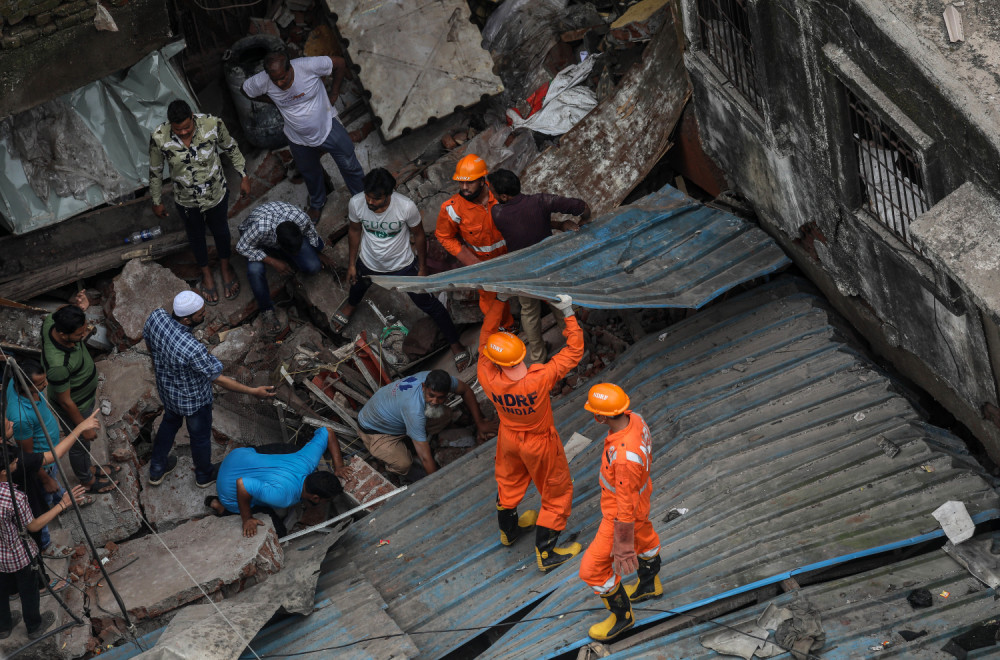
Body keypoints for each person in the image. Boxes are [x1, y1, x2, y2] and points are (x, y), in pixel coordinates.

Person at [478, 293, 582, 570]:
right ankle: (546, 555)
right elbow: (574, 351)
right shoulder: (538, 379)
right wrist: (567, 312)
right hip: (539, 442)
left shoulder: (486, 374)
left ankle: (509, 532)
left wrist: (499, 301)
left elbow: (486, 337)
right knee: (556, 493)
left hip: (509, 438)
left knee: (508, 482)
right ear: (521, 357)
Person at [334, 168, 471, 367]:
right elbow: (354, 230)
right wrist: (352, 264)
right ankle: (350, 306)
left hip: (403, 266)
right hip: (368, 262)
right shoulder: (356, 203)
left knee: (429, 304)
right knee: (358, 285)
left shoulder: (405, 207)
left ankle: (455, 344)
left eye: (376, 198)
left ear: (389, 194)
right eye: (368, 197)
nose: (370, 202)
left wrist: (422, 268)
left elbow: (420, 235)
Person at [143, 291, 276, 487]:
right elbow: (218, 379)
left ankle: (156, 469)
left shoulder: (157, 317)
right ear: (187, 320)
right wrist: (253, 391)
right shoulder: (192, 348)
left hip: (168, 391)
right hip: (194, 401)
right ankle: (204, 475)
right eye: (200, 314)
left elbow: (149, 343)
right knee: (200, 438)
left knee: (169, 424)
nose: (204, 316)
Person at [578, 383, 661, 642]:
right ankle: (650, 584)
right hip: (641, 492)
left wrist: (622, 544)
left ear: (600, 416)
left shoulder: (623, 457)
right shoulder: (635, 418)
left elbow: (625, 508)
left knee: (591, 569)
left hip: (620, 511)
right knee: (645, 537)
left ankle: (623, 617)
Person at [242, 51, 364, 221]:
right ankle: (317, 203)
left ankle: (362, 199)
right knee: (309, 172)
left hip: (327, 127)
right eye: (274, 80)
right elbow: (245, 90)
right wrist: (273, 100)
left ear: (290, 67)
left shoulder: (308, 66)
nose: (279, 83)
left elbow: (340, 63)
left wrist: (334, 93)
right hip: (297, 137)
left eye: (283, 77)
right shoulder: (262, 81)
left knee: (349, 164)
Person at [149, 99, 250, 304]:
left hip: (216, 194)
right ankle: (207, 274)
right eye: (178, 130)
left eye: (187, 127)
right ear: (170, 125)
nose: (184, 133)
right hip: (186, 201)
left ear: (193, 118)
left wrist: (244, 175)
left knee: (221, 231)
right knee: (196, 236)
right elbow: (155, 171)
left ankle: (224, 267)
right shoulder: (159, 137)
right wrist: (156, 200)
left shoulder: (212, 124)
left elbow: (231, 147)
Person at [488, 169, 591, 363]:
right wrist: (581, 219)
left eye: (493, 192)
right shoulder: (541, 201)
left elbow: (523, 223)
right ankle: (578, 348)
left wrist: (555, 224)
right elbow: (581, 207)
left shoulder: (497, 213)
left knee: (529, 312)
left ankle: (538, 357)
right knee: (561, 305)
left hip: (522, 271)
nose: (491, 196)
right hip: (548, 265)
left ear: (503, 196)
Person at [0, 446, 87, 641]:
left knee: (2, 589)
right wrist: (62, 504)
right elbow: (34, 526)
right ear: (4, 471)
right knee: (29, 590)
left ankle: (3, 626)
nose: (17, 463)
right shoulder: (14, 497)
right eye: (14, 462)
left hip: (0, 556)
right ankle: (34, 627)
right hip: (19, 554)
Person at [205, 426, 346, 537]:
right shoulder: (282, 497)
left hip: (237, 456)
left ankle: (215, 471)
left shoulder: (307, 461)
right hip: (228, 491)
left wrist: (338, 467)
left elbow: (327, 432)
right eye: (326, 501)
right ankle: (220, 506)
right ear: (315, 497)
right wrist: (247, 519)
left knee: (292, 450)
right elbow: (242, 484)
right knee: (279, 532)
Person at [357, 370, 491, 482]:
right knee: (403, 464)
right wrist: (439, 482)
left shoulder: (441, 380)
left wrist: (480, 423)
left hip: (395, 415)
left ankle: (415, 437)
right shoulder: (414, 410)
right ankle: (385, 465)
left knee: (445, 415)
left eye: (441, 398)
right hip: (375, 430)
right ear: (423, 387)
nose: (435, 401)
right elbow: (425, 457)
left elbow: (466, 390)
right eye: (431, 396)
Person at [40, 304, 117, 495]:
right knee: (79, 444)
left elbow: (62, 309)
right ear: (63, 334)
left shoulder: (52, 321)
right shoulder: (58, 365)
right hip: (75, 405)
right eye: (79, 334)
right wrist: (84, 426)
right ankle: (87, 480)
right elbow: (65, 401)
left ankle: (87, 468)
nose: (84, 335)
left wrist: (79, 304)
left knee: (83, 444)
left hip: (83, 398)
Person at [434, 154, 514, 330]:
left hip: (513, 256)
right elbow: (444, 236)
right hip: (483, 264)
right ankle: (508, 329)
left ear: (482, 179)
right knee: (491, 301)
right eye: (460, 183)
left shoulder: (500, 194)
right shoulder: (453, 208)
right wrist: (470, 261)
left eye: (469, 182)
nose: (464, 188)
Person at [236, 201, 334, 335]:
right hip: (256, 243)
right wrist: (273, 262)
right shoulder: (260, 228)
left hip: (286, 239)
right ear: (278, 243)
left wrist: (319, 251)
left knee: (314, 266)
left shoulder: (300, 218)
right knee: (255, 271)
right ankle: (267, 310)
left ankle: (291, 263)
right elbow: (241, 247)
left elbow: (311, 233)